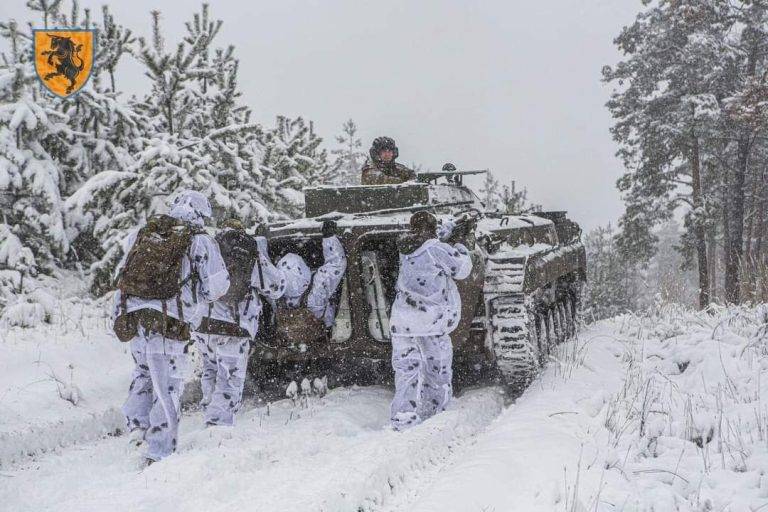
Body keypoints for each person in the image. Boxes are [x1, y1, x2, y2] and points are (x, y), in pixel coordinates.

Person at [113, 190, 230, 464]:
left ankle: (137, 431)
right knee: (167, 386)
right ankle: (160, 451)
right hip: (169, 323)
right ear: (201, 214)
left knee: (143, 373)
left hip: (137, 320)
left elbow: (121, 276)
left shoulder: (142, 234)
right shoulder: (200, 241)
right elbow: (217, 286)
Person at [193, 219, 286, 427]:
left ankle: (209, 412)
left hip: (203, 325)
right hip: (233, 327)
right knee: (229, 379)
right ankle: (217, 426)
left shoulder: (207, 248)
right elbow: (276, 287)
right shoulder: (248, 252)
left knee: (211, 370)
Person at [388, 211, 472, 430]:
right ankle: (435, 414)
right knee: (437, 369)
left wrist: (446, 234)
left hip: (402, 321)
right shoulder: (436, 249)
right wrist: (461, 245)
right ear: (431, 229)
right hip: (429, 322)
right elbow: (462, 269)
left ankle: (404, 416)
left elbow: (425, 244)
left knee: (406, 370)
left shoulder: (403, 249)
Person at [276, 220, 347, 330]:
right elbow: (336, 265)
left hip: (291, 343)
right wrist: (329, 237)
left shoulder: (276, 294)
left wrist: (259, 241)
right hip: (322, 337)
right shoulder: (316, 289)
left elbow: (263, 274)